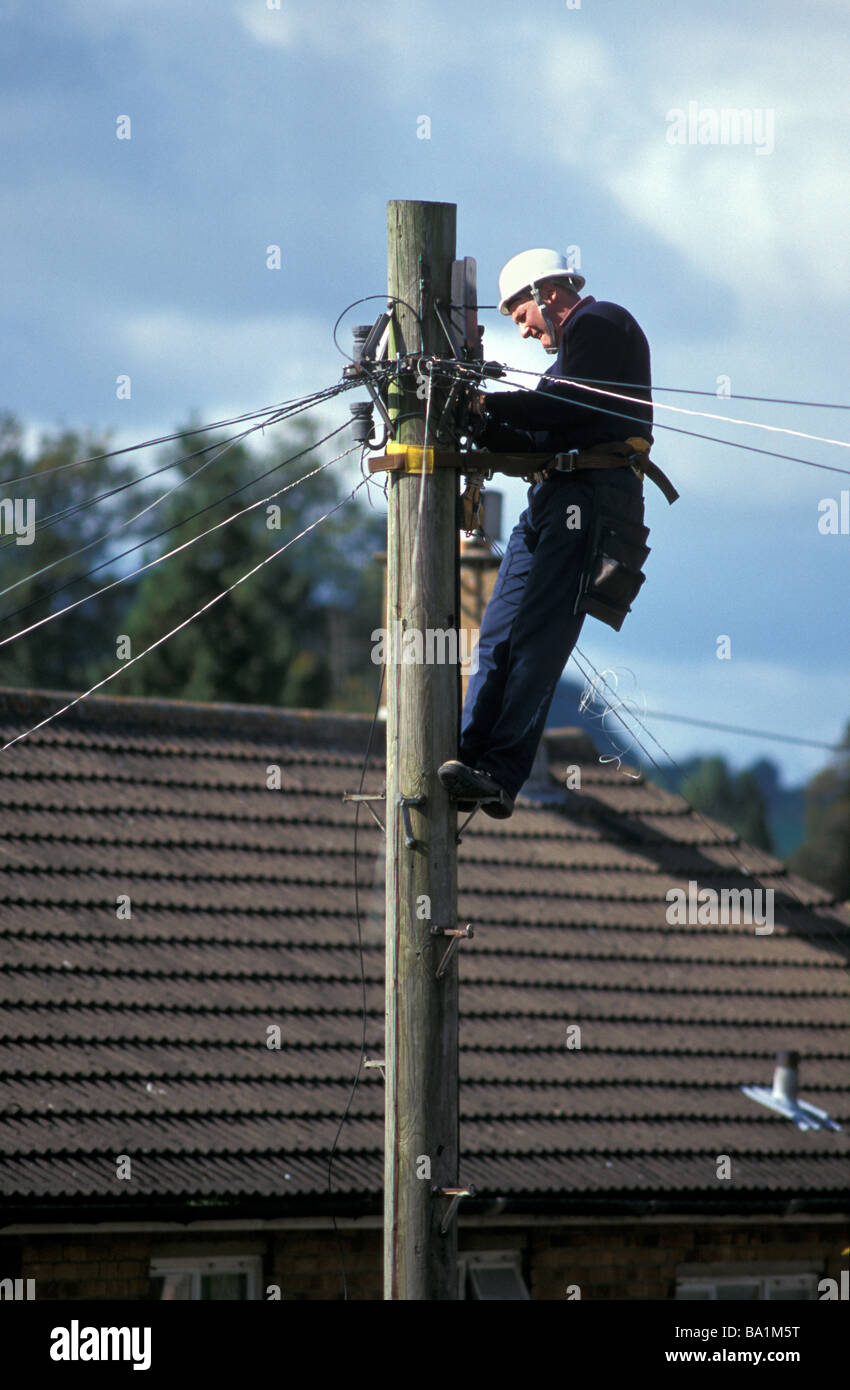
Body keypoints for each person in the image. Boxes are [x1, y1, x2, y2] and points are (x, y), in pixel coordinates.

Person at [438, 247, 674, 820]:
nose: (522, 330)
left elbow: (560, 408)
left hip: (590, 500)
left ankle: (499, 774)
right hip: (552, 500)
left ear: (547, 295)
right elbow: (541, 431)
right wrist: (477, 421)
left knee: (537, 638)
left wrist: (487, 402)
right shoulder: (564, 366)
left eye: (521, 315)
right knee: (498, 633)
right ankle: (468, 755)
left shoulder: (601, 323)